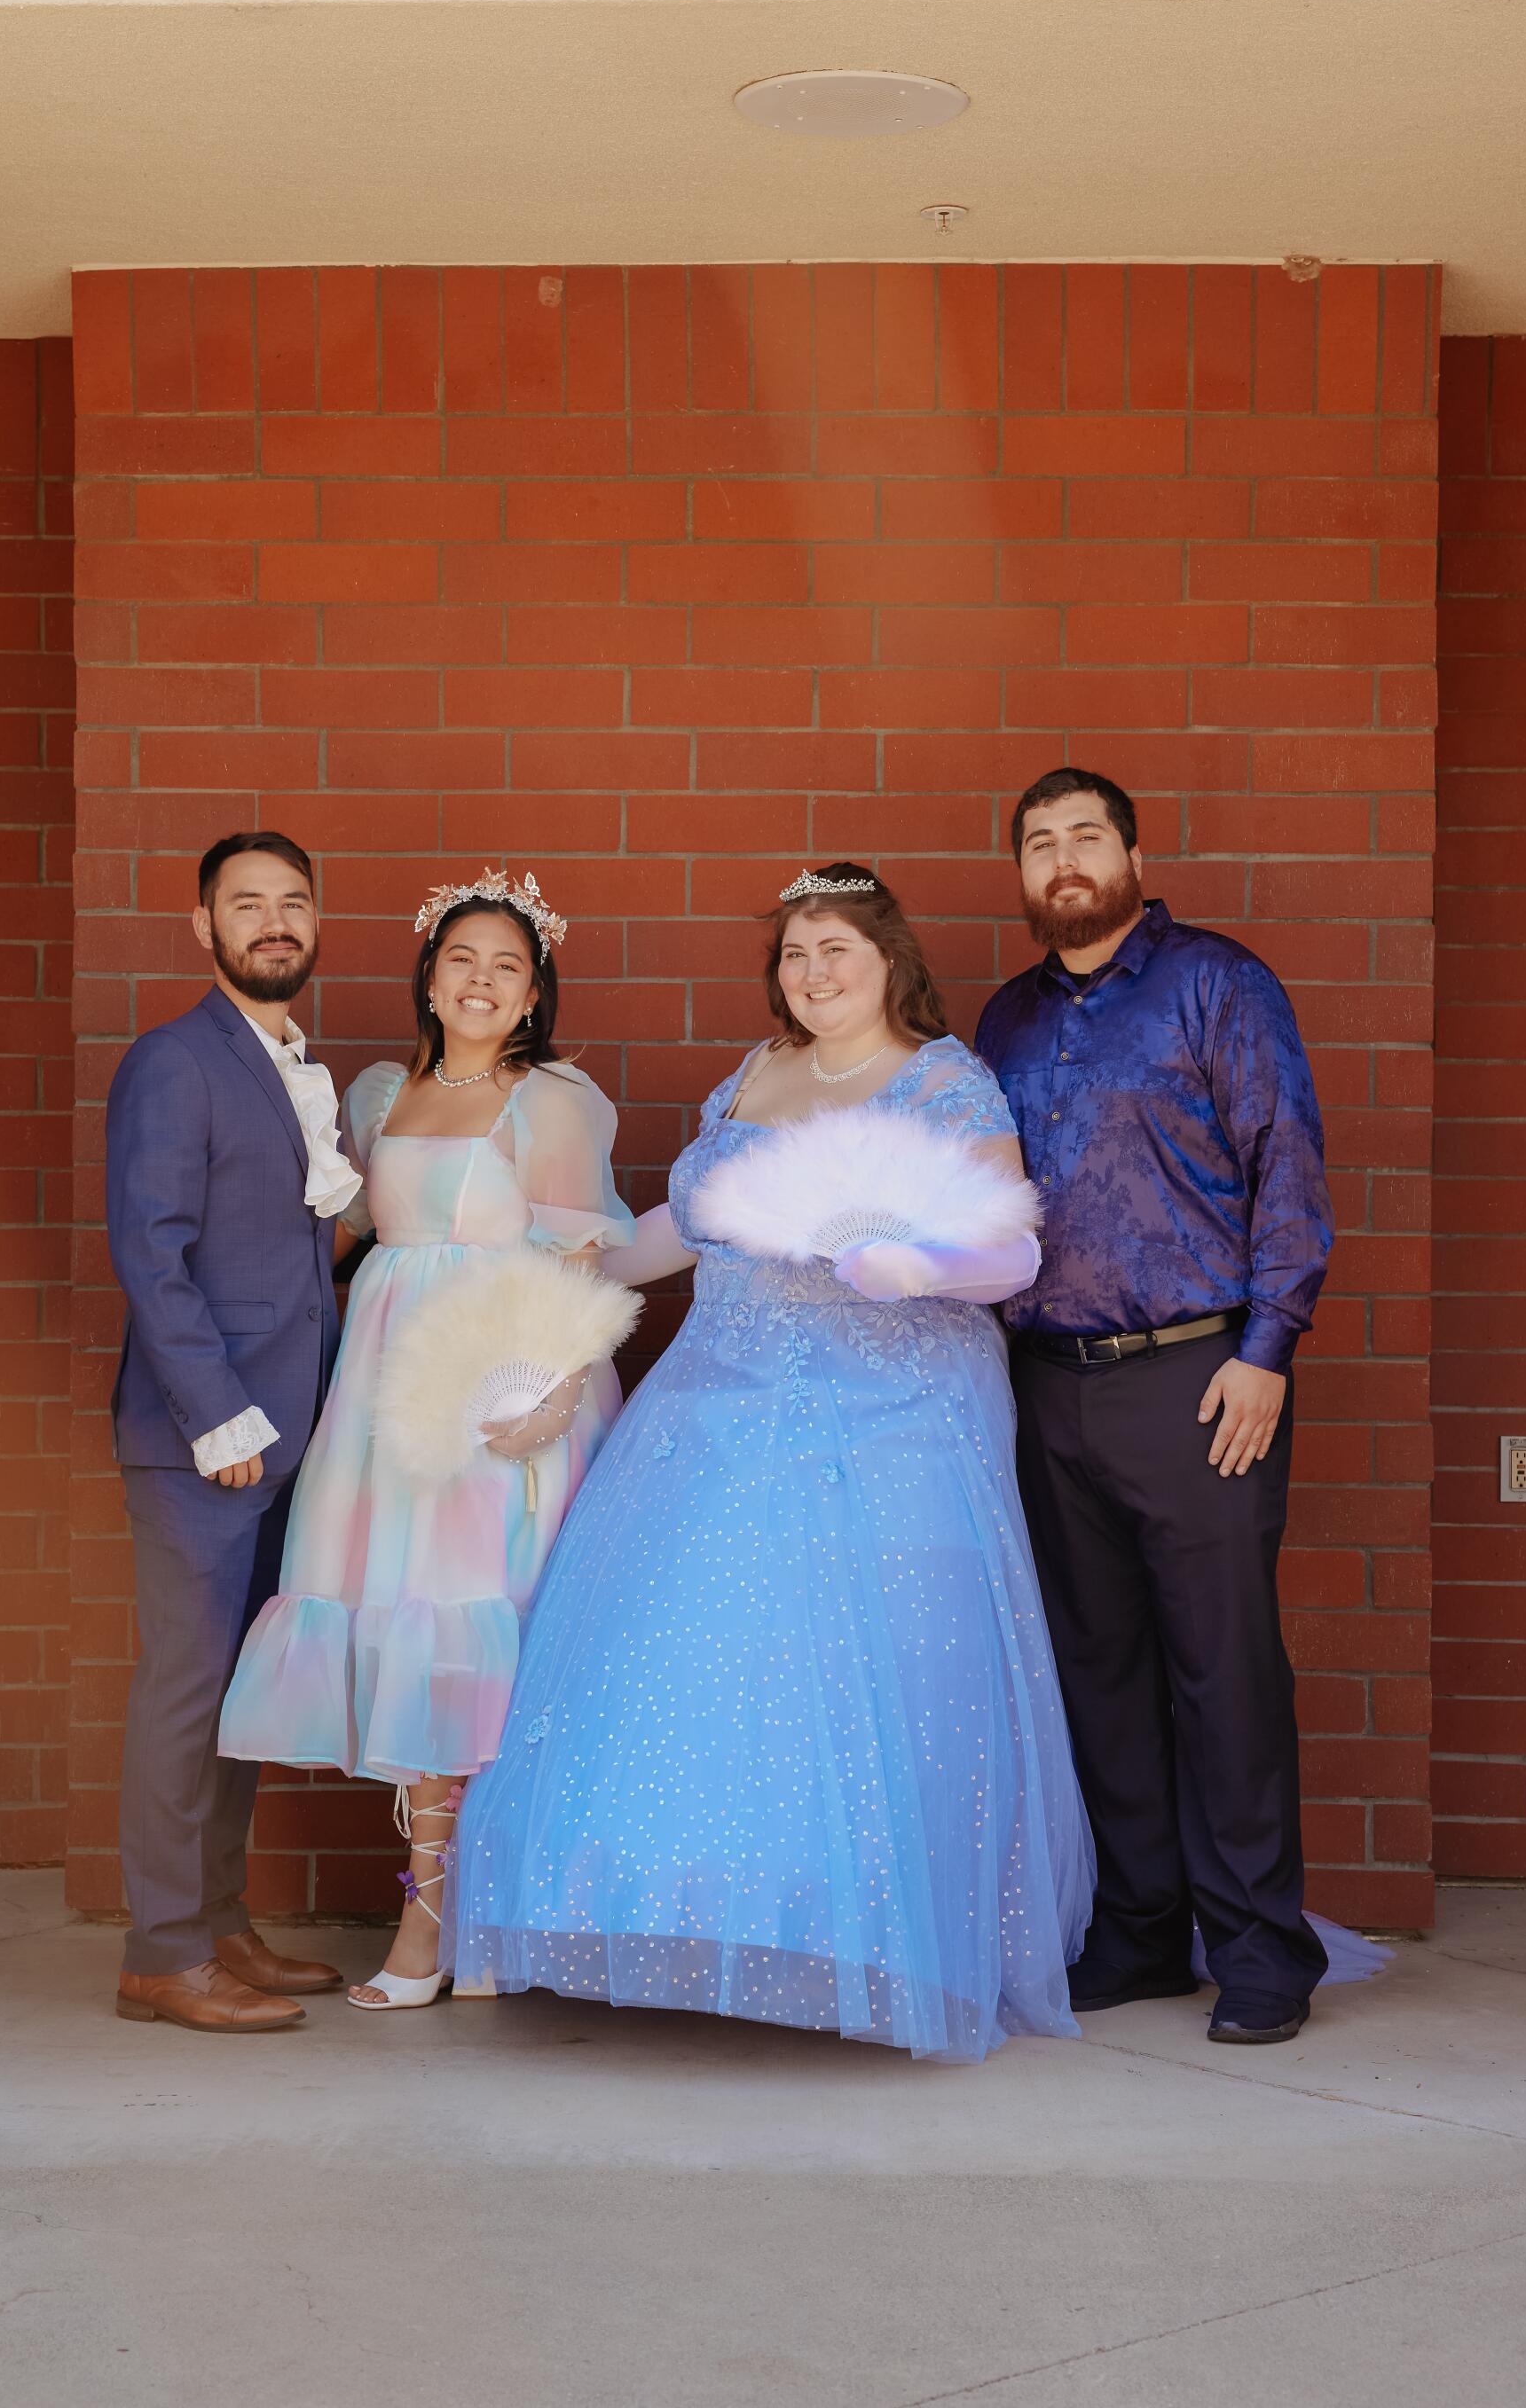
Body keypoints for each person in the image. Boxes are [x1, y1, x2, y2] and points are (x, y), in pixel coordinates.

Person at [452, 865, 1093, 2064]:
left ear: (891, 959)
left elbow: (1011, 1247)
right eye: (796, 951)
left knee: (858, 1680)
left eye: (837, 946)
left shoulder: (945, 1081)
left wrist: (921, 1268)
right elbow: (685, 1230)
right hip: (719, 1397)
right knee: (688, 1658)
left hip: (886, 1412)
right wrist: (564, 1269)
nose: (814, 970)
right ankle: (722, 1929)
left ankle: (871, 1942)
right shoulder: (751, 1076)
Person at [219, 868, 633, 2010]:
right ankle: (457, 1917)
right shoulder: (374, 1092)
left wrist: (553, 1389)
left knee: (470, 1635)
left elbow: (578, 1255)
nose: (483, 980)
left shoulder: (547, 1099)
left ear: (535, 990)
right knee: (403, 1632)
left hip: (500, 1396)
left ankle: (441, 1920)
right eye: (463, 959)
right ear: (429, 975)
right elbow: (346, 1233)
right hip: (387, 1396)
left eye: (508, 964)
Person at [978, 767, 1337, 2046]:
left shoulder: (1217, 984)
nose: (1064, 860)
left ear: (1134, 850)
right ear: (1020, 872)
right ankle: (1140, 1931)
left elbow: (1284, 1160)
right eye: (1040, 843)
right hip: (1048, 1383)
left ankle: (1260, 1949)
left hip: (1200, 1380)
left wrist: (1268, 1346)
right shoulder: (1006, 1018)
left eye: (1087, 836)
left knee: (1222, 1670)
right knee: (1101, 1672)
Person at [106, 830, 361, 2032]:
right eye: (246, 903)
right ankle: (159, 1949)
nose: (273, 921)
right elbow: (150, 1254)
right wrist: (219, 1418)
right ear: (200, 926)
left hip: (289, 1432)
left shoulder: (292, 1063)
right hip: (206, 1436)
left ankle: (215, 1922)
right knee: (186, 1686)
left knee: (238, 1689)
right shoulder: (176, 1060)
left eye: (292, 903)